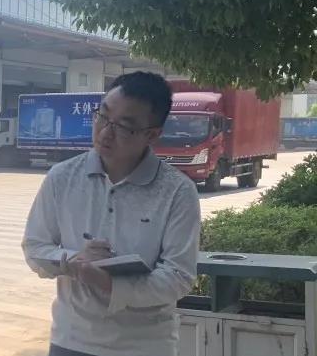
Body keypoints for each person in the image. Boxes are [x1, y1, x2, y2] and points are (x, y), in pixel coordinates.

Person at [22, 72, 201, 356]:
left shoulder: (177, 191)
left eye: (124, 127)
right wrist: (73, 260)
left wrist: (110, 284)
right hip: (71, 341)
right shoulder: (62, 177)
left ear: (152, 134)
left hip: (144, 347)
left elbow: (178, 276)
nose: (105, 132)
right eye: (103, 116)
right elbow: (35, 247)